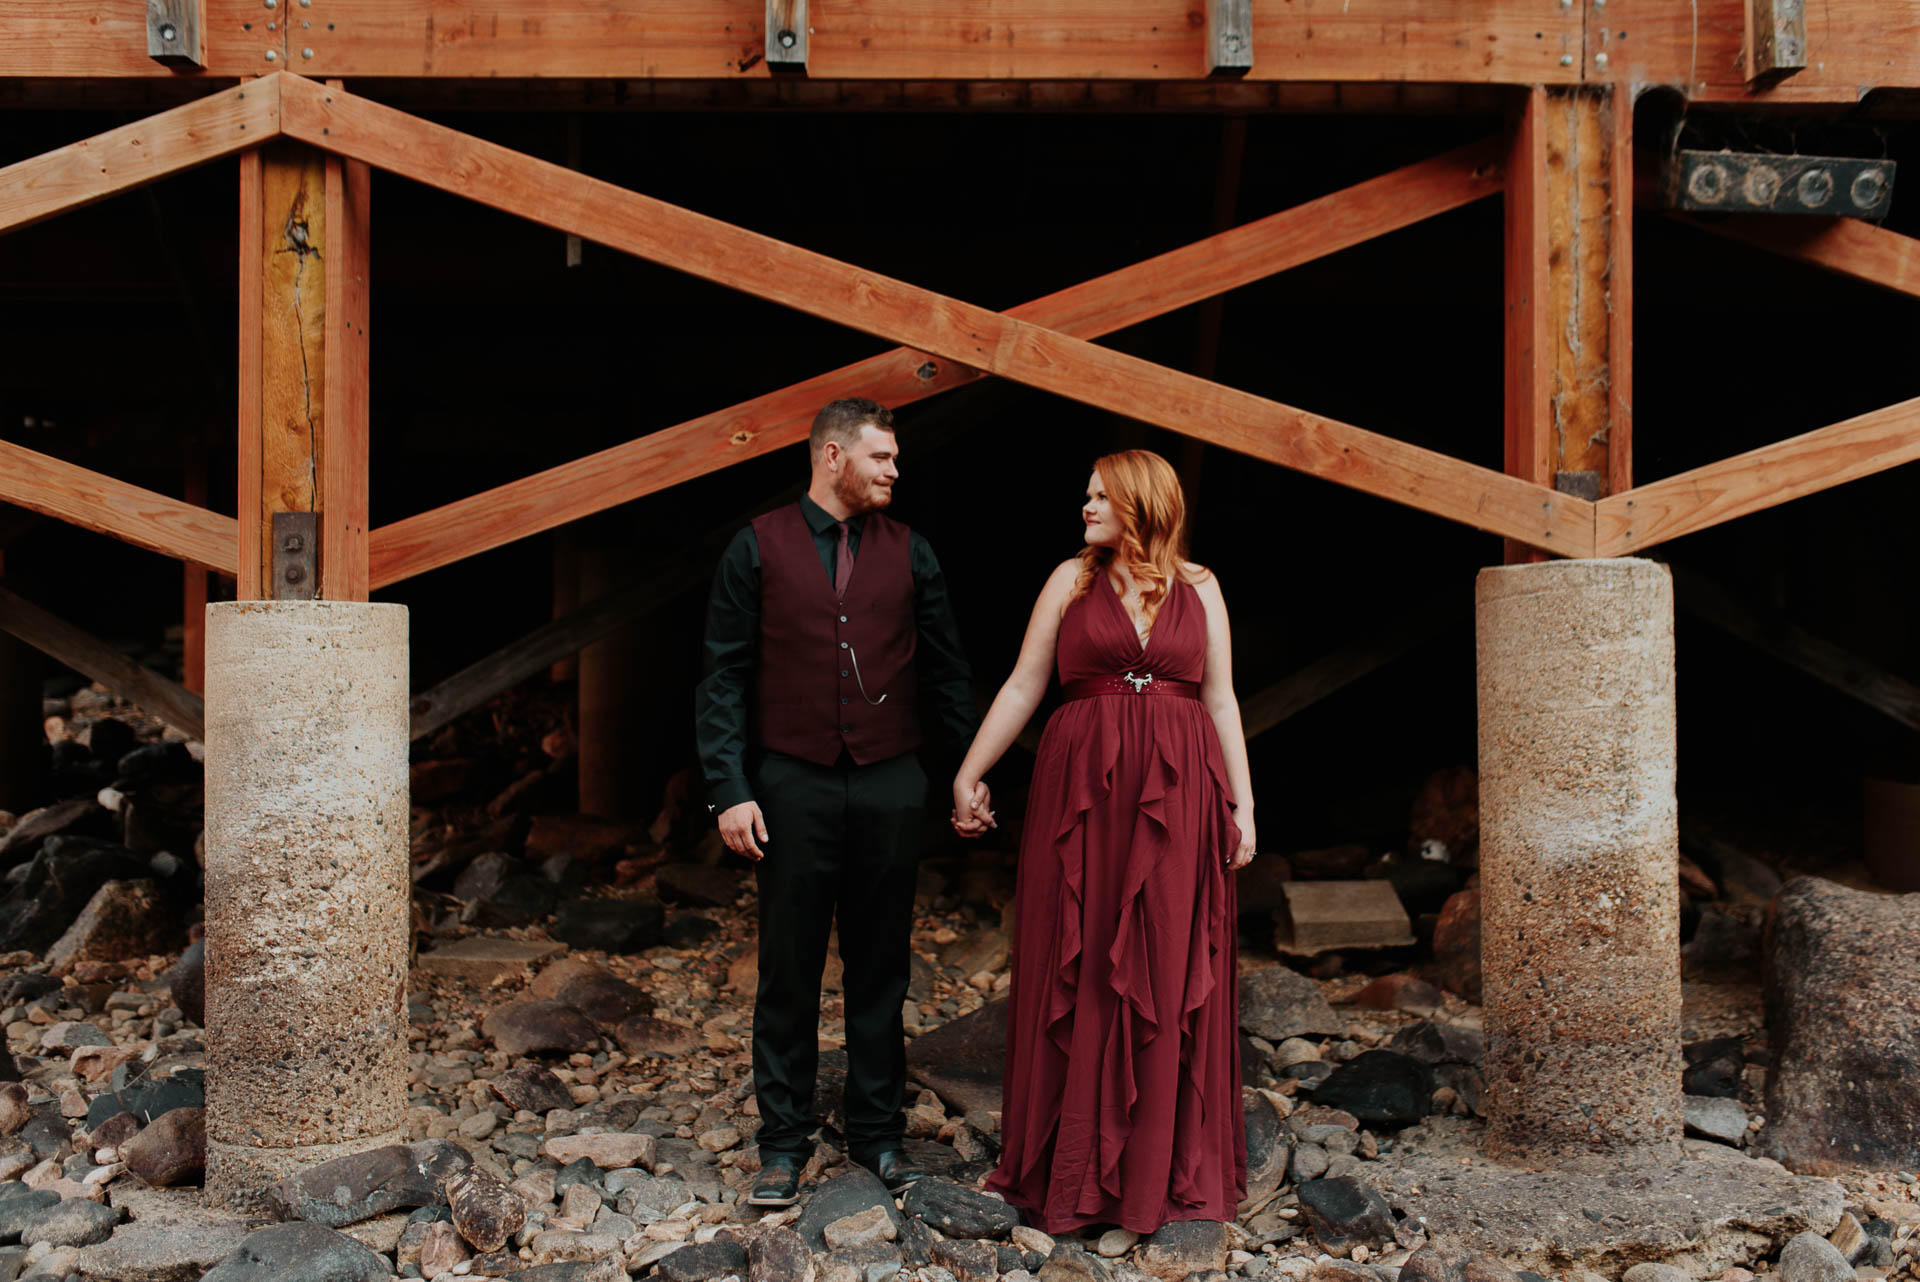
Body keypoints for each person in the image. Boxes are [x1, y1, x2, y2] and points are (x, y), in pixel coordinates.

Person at [949, 448, 1255, 1234]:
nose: (1084, 507)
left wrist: (1244, 808)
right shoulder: (1070, 579)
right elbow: (1025, 682)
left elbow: (1220, 701)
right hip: (1081, 797)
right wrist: (970, 773)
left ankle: (1148, 1180)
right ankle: (1071, 1176)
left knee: (1163, 962)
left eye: (1098, 496)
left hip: (1179, 796)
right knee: (1077, 961)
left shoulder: (1202, 588)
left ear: (1140, 503)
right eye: (1084, 494)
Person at [694, 397, 981, 1208]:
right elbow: (722, 676)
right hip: (791, 780)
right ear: (831, 457)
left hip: (891, 779)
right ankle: (782, 1145)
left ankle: (879, 1136)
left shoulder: (912, 551)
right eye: (880, 457)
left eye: (895, 458)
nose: (895, 469)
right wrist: (730, 787)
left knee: (882, 965)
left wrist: (968, 773)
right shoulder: (757, 547)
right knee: (788, 965)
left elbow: (947, 673)